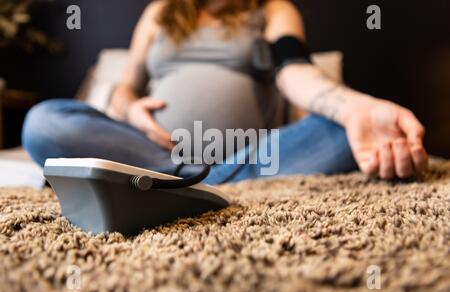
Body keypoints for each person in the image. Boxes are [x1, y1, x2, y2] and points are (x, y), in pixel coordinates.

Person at [22, 0, 429, 185]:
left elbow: (294, 72)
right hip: (154, 151)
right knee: (45, 122)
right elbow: (125, 88)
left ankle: (179, 185)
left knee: (349, 133)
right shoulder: (160, 12)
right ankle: (193, 181)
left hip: (251, 157)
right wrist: (132, 111)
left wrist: (356, 106)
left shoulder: (272, 10)